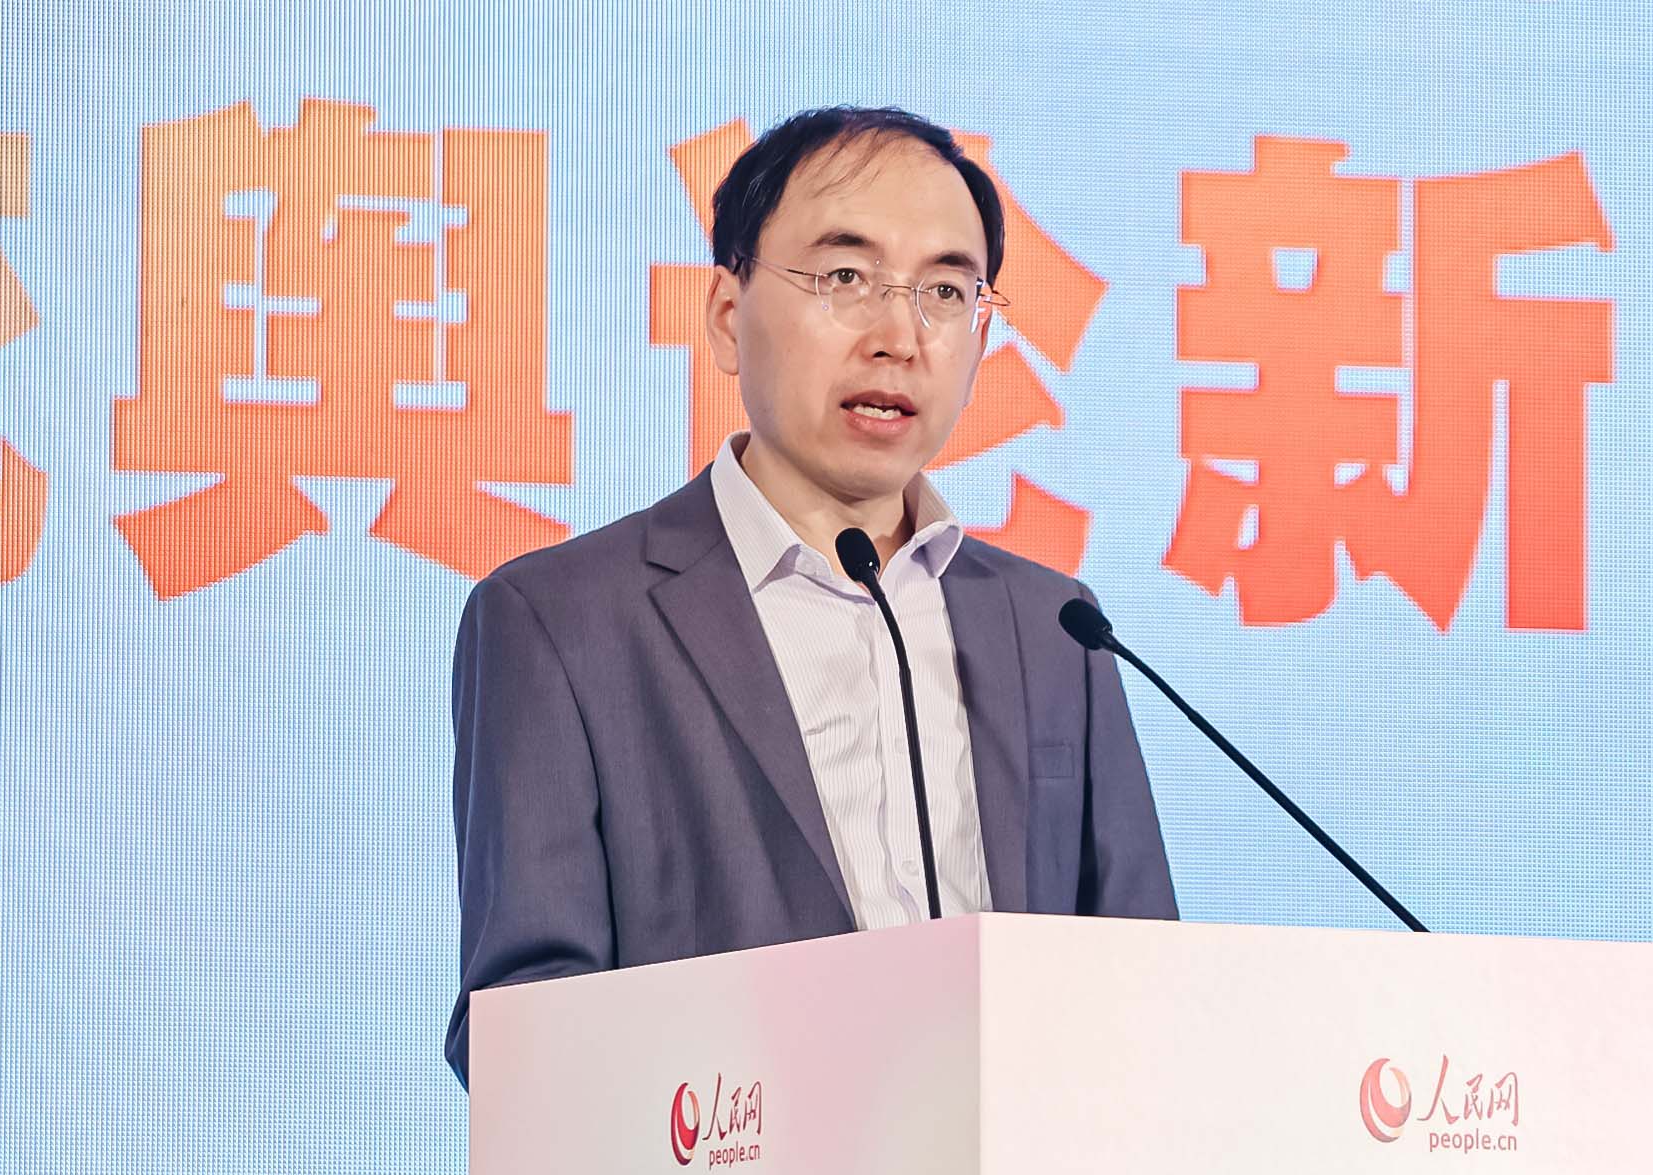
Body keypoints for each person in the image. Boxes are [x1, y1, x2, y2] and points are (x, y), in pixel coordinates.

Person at [445, 106, 1176, 1084]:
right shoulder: (563, 623)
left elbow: (1147, 985)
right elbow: (523, 1031)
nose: (899, 336)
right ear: (726, 316)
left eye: (946, 291)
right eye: (844, 278)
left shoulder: (1056, 629)